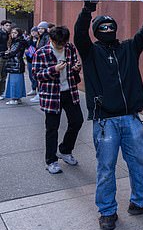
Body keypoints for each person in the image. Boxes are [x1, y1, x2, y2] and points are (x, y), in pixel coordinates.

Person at [74, 1, 143, 230]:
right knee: (106, 168)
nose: (107, 30)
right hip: (105, 122)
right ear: (96, 31)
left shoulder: (129, 48)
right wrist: (87, 10)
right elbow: (79, 35)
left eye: (110, 26)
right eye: (102, 27)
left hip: (130, 119)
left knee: (139, 163)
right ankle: (107, 211)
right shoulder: (90, 52)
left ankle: (141, 201)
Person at [32, 26, 84, 175]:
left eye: (64, 42)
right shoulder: (41, 53)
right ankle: (51, 161)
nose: (61, 46)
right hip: (51, 95)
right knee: (52, 128)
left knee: (77, 121)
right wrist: (54, 69)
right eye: (58, 43)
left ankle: (65, 150)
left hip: (70, 91)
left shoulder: (69, 48)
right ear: (51, 39)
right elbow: (36, 75)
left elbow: (75, 65)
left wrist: (76, 67)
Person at [2, 27, 27, 104]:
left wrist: (3, 54)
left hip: (16, 64)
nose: (13, 34)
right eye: (12, 32)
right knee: (17, 82)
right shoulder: (18, 41)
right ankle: (17, 98)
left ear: (19, 33)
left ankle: (14, 99)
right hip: (16, 64)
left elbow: (12, 53)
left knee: (14, 83)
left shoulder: (18, 42)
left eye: (15, 33)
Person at [0, 19, 12, 99]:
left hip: (5, 56)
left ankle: (2, 92)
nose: (8, 27)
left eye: (9, 25)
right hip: (1, 56)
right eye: (6, 25)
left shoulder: (9, 34)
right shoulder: (1, 34)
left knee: (4, 75)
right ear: (2, 26)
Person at [25, 27, 39, 96]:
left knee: (36, 76)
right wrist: (27, 51)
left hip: (36, 60)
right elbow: (26, 48)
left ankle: (37, 89)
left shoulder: (39, 40)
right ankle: (33, 89)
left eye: (34, 31)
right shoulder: (28, 40)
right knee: (31, 75)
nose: (33, 33)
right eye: (32, 31)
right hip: (29, 60)